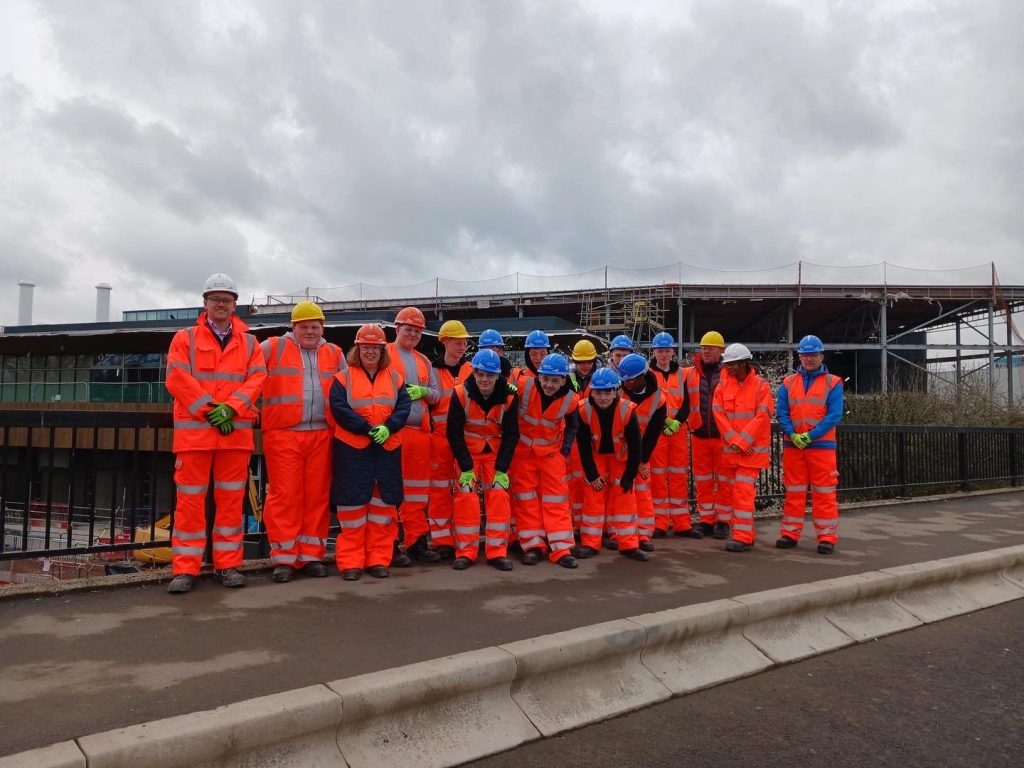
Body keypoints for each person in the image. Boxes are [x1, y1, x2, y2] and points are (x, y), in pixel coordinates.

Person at [165, 273, 267, 594]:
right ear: (205, 302)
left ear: (235, 305)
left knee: (230, 503)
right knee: (190, 504)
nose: (221, 304)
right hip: (195, 436)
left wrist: (233, 408)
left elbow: (257, 379)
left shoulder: (250, 343)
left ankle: (228, 565)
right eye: (215, 299)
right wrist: (212, 409)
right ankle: (185, 569)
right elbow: (176, 377)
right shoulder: (185, 338)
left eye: (227, 299)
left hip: (233, 436)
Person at [259, 301, 346, 583]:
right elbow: (248, 380)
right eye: (304, 327)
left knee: (317, 496)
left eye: (315, 326)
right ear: (293, 328)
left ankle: (311, 555)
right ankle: (284, 558)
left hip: (322, 433)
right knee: (285, 496)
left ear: (322, 327)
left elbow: (349, 389)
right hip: (284, 433)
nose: (310, 331)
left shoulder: (334, 352)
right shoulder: (272, 348)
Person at [329, 324, 412, 580]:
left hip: (386, 451)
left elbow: (403, 406)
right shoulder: (343, 378)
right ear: (358, 348)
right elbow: (339, 408)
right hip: (353, 451)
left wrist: (388, 428)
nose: (370, 352)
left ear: (382, 349)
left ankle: (378, 560)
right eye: (366, 347)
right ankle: (351, 563)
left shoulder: (396, 378)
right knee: (352, 509)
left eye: (375, 347)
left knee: (382, 509)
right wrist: (366, 429)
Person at [446, 349, 520, 571]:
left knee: (498, 496)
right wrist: (466, 467)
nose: (484, 379)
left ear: (498, 375)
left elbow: (511, 435)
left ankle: (497, 552)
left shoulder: (508, 397)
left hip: (495, 454)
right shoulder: (460, 393)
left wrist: (501, 470)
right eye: (480, 374)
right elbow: (453, 433)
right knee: (466, 498)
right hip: (468, 453)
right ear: (474, 372)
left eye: (489, 375)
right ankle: (466, 551)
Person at [776, 335, 844, 555]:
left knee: (824, 493)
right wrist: (793, 435)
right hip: (794, 445)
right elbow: (782, 413)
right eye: (805, 355)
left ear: (821, 356)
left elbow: (834, 415)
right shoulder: (788, 383)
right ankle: (789, 533)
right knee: (793, 491)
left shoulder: (833, 382)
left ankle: (826, 537)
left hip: (820, 447)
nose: (808, 359)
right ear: (800, 356)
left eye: (813, 354)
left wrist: (809, 436)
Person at [511, 353, 580, 568]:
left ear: (563, 380)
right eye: (545, 379)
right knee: (526, 500)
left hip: (551, 455)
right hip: (523, 454)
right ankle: (533, 546)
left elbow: (573, 426)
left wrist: (565, 449)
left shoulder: (571, 398)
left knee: (556, 500)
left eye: (555, 380)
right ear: (539, 376)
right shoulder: (523, 386)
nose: (549, 385)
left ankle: (561, 548)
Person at [387, 306, 442, 564]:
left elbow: (436, 393)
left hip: (420, 434)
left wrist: (421, 391)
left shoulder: (424, 361)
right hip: (393, 432)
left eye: (417, 331)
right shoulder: (384, 354)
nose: (413, 334)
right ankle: (387, 545)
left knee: (418, 493)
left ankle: (416, 542)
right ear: (397, 329)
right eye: (408, 329)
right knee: (388, 491)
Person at [574, 368, 647, 562]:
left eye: (607, 392)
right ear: (592, 392)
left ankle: (629, 544)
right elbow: (582, 446)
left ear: (616, 391)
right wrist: (592, 476)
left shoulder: (627, 411)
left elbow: (635, 447)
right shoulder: (583, 410)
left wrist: (629, 476)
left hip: (620, 457)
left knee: (625, 498)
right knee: (593, 497)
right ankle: (590, 542)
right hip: (596, 456)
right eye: (598, 392)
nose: (603, 397)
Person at [712, 343, 774, 553]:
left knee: (743, 493)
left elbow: (762, 416)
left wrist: (742, 442)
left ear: (745, 362)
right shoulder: (722, 386)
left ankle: (743, 537)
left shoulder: (761, 386)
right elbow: (718, 415)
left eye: (734, 364)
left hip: (750, 453)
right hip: (733, 451)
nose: (729, 367)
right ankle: (743, 534)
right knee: (730, 492)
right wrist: (737, 442)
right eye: (728, 364)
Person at [648, 332, 703, 539]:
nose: (664, 355)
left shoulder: (683, 374)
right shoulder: (647, 374)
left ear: (673, 351)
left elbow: (687, 402)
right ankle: (659, 523)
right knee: (658, 478)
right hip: (657, 431)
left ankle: (682, 523)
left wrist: (678, 421)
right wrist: (664, 422)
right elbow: (647, 403)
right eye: (660, 351)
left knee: (679, 476)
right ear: (654, 351)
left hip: (678, 432)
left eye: (667, 351)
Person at [428, 320, 474, 559]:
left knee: (465, 490)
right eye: (457, 343)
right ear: (444, 342)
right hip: (439, 439)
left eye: (464, 343)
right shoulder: (432, 371)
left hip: (466, 437)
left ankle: (463, 540)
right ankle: (442, 540)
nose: (462, 347)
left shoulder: (472, 369)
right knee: (438, 491)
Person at [618, 353, 667, 552]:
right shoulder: (619, 391)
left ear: (642, 376)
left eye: (630, 379)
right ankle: (619, 534)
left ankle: (644, 534)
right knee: (620, 493)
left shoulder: (659, 399)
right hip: (618, 450)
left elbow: (653, 434)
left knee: (642, 492)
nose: (626, 383)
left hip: (641, 450)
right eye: (624, 380)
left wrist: (641, 459)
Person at [690, 331, 729, 538]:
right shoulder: (691, 372)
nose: (705, 351)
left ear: (720, 351)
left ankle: (723, 521)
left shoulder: (728, 372)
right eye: (703, 347)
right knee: (703, 480)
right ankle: (706, 519)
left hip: (722, 436)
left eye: (710, 348)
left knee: (724, 481)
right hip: (699, 435)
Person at [567, 339, 601, 531]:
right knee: (573, 481)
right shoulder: (566, 378)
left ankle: (588, 525)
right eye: (581, 362)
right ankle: (574, 524)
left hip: (593, 435)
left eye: (588, 361)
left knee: (591, 481)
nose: (585, 366)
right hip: (573, 437)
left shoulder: (602, 378)